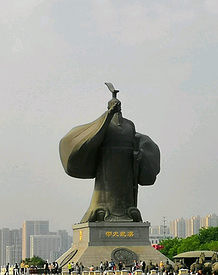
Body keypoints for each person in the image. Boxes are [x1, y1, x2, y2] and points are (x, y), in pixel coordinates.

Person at [59, 83, 161, 223]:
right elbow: (91, 137)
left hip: (125, 171)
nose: (117, 111)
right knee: (103, 199)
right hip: (106, 167)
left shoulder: (129, 125)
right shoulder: (102, 125)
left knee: (125, 201)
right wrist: (108, 116)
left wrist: (138, 158)